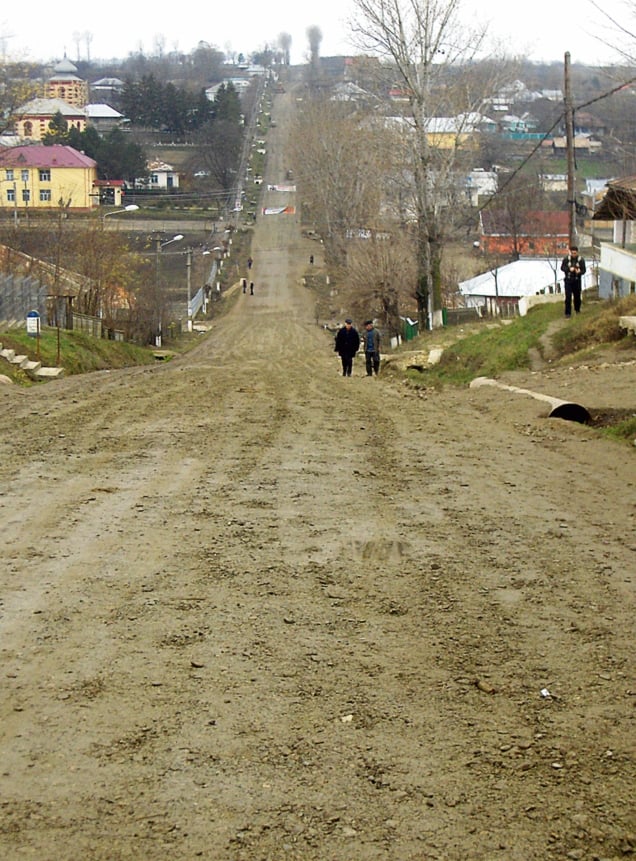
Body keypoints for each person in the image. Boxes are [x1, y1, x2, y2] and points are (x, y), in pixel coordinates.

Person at [560, 244, 586, 317]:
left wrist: (579, 272)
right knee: (568, 297)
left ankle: (577, 310)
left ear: (577, 252)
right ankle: (567, 313)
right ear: (570, 252)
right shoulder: (566, 259)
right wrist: (569, 269)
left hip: (577, 280)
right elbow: (562, 268)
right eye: (572, 253)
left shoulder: (581, 260)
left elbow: (584, 270)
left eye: (575, 253)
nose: (574, 254)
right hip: (568, 280)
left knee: (577, 296)